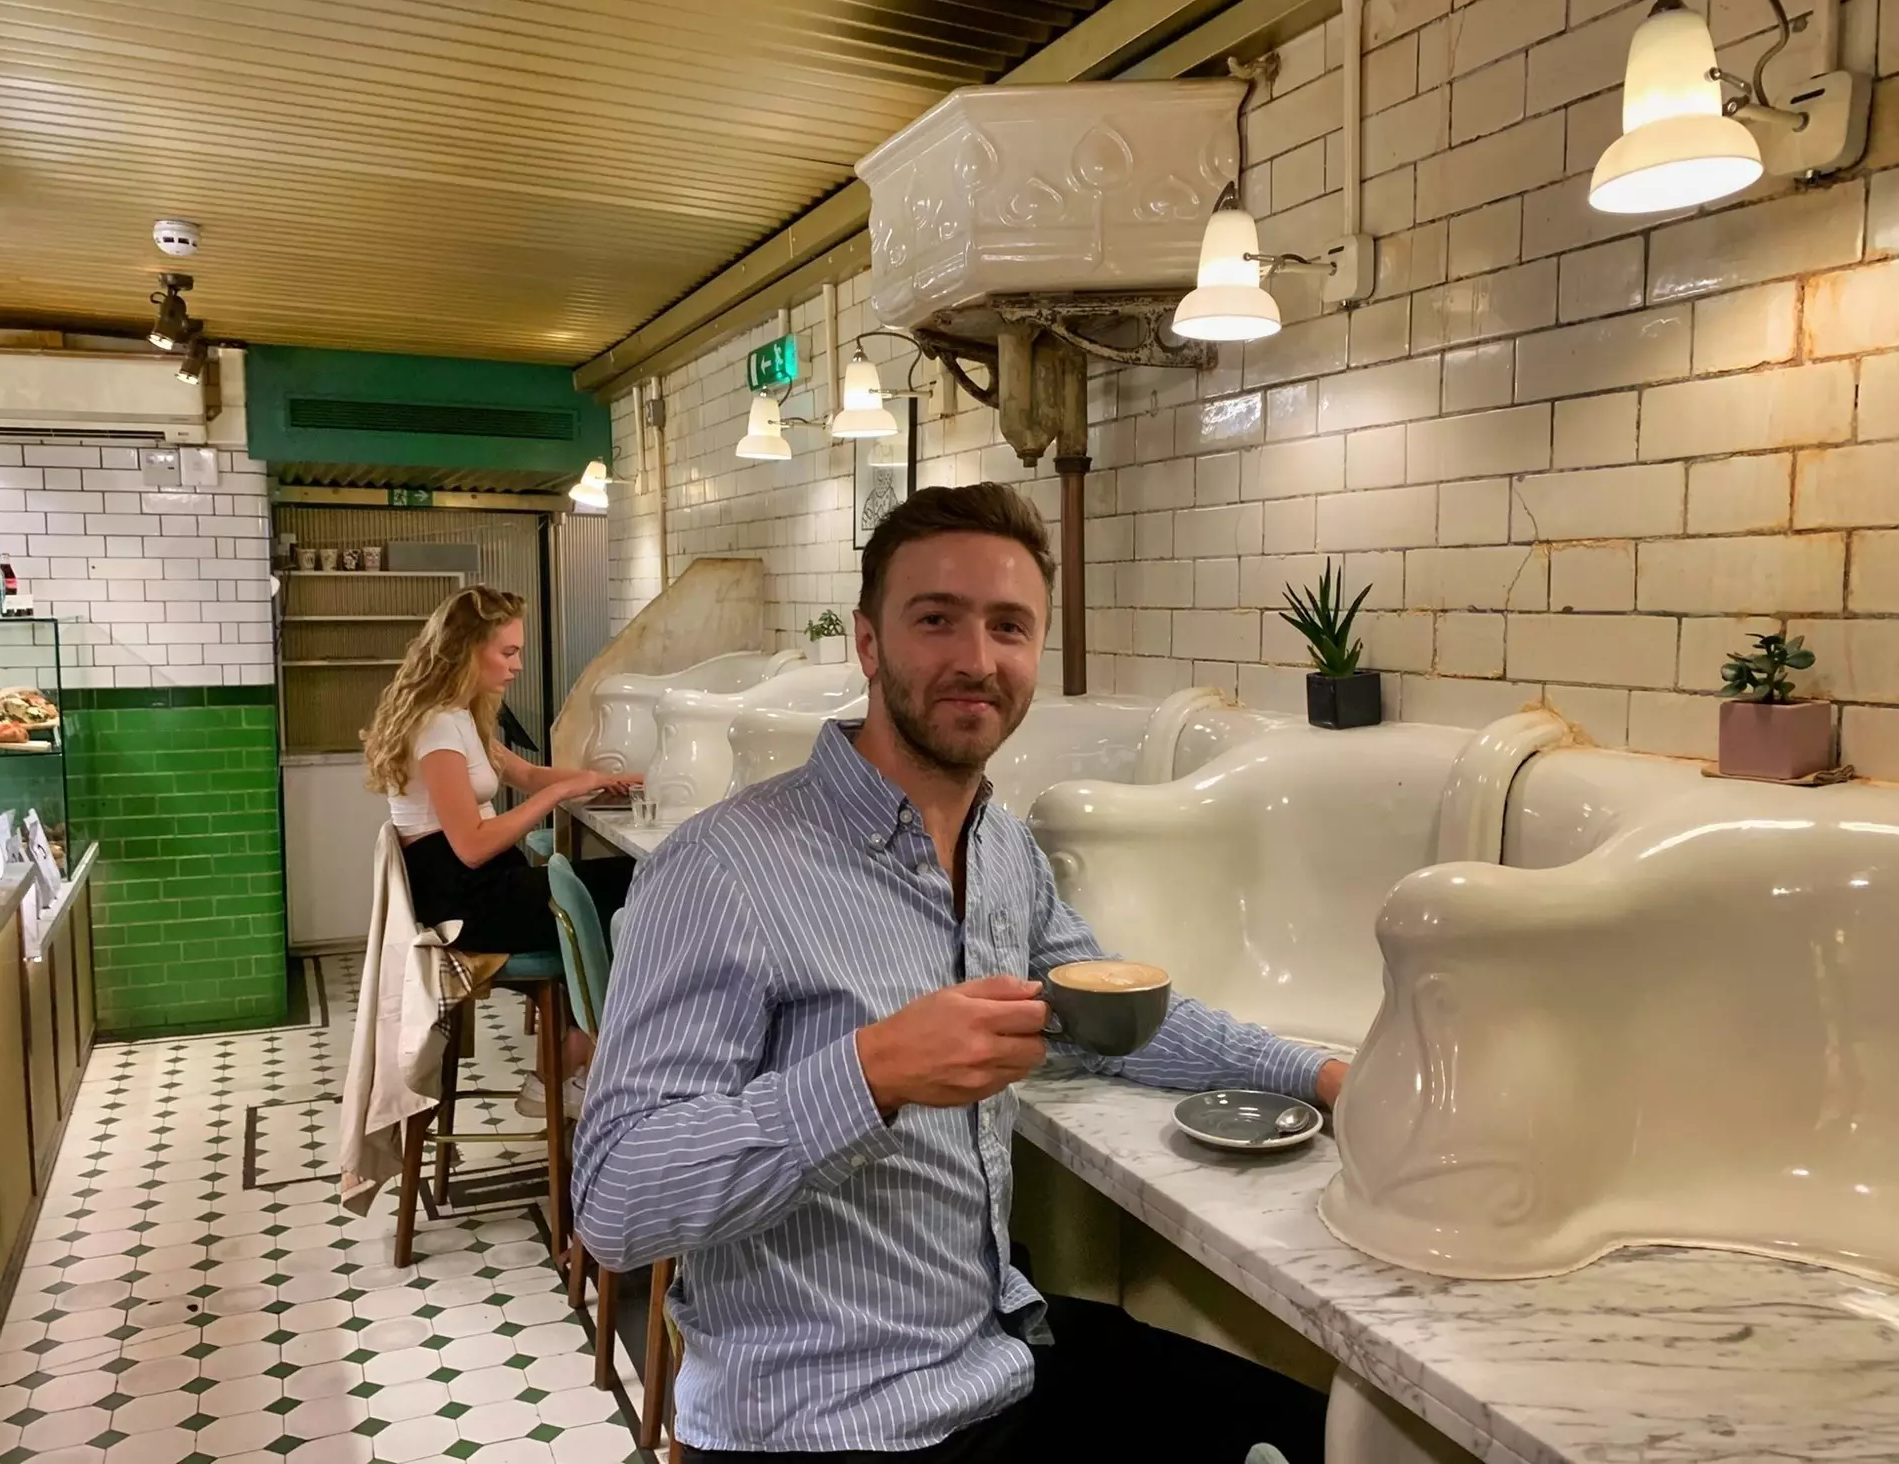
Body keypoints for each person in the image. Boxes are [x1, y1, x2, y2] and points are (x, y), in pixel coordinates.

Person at [572, 485, 1347, 1462]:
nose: (975, 661)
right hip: (821, 1427)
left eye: (1007, 627)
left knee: (1306, 1425)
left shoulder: (1002, 852)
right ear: (867, 643)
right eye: (935, 619)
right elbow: (613, 1203)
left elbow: (1114, 1009)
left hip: (989, 1362)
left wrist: (1322, 1079)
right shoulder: (725, 868)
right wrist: (870, 1073)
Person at [362, 584, 635, 1115]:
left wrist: (603, 779)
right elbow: (469, 845)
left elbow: (528, 773)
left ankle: (570, 1066)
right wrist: (560, 793)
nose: (516, 665)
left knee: (618, 885)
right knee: (629, 888)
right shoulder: (438, 725)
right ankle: (571, 1071)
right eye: (507, 652)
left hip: (479, 885)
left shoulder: (459, 715)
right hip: (464, 902)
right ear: (469, 650)